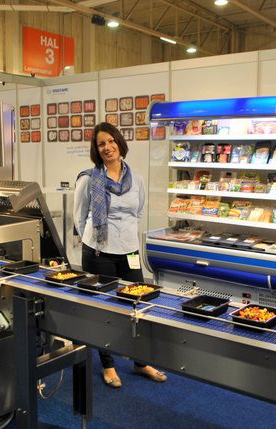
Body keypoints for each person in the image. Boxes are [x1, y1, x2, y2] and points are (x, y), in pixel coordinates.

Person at [74, 122, 168, 389]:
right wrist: (96, 239)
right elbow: (79, 218)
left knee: (137, 305)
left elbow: (138, 212)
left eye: (111, 141)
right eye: (101, 144)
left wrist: (124, 235)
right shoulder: (88, 179)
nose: (107, 147)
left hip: (129, 251)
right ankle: (108, 364)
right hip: (99, 252)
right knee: (105, 309)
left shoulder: (135, 178)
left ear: (119, 143)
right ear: (96, 150)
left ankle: (140, 361)